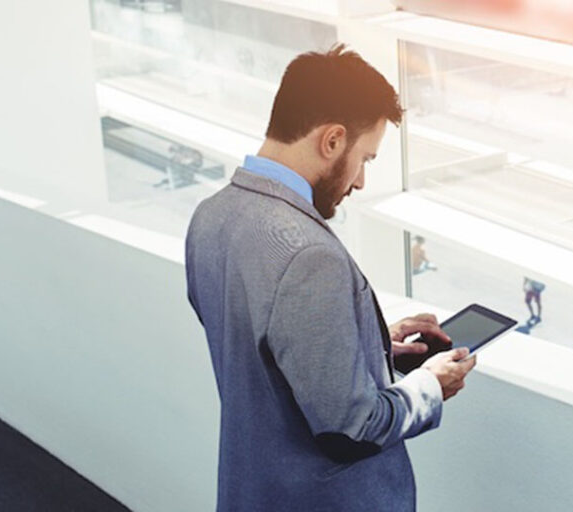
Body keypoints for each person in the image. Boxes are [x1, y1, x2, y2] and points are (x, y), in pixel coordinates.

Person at [185, 44, 477, 512]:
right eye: (365, 159)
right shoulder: (306, 253)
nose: (360, 181)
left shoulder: (211, 218)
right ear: (332, 140)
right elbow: (351, 429)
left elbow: (264, 354)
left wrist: (366, 341)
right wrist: (430, 387)